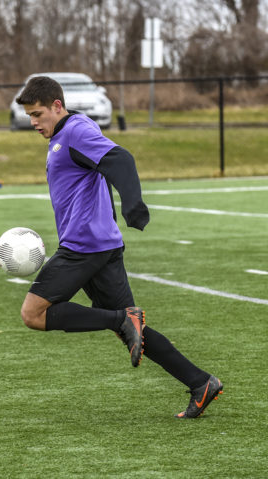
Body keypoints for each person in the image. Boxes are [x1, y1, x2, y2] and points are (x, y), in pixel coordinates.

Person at [14, 76, 222, 419]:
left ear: (56, 106)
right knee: (134, 333)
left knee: (33, 314)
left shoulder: (76, 132)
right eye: (29, 116)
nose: (33, 122)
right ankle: (201, 382)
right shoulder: (68, 132)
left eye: (37, 114)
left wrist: (133, 205)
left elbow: (120, 160)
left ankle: (122, 319)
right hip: (101, 245)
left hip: (84, 247)